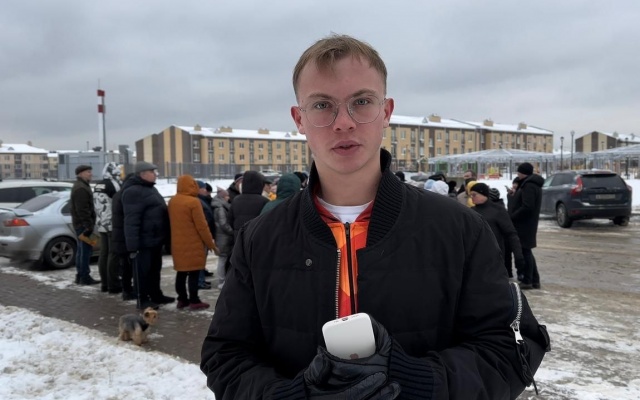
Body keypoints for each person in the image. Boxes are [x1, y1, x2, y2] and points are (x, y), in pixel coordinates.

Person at [201, 34, 547, 399]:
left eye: (361, 102)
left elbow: (510, 349)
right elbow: (225, 355)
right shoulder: (260, 238)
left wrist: (418, 380)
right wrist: (286, 396)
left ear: (386, 112)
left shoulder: (458, 229)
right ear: (299, 119)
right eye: (322, 105)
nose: (343, 123)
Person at [122, 161, 174, 310]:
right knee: (142, 272)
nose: (155, 174)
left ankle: (156, 294)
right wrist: (133, 246)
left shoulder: (150, 189)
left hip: (155, 239)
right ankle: (142, 299)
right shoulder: (133, 192)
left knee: (154, 270)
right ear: (142, 174)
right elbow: (131, 220)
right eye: (152, 172)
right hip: (143, 241)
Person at [168, 175, 218, 310]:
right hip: (193, 244)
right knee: (194, 273)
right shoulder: (193, 202)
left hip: (177, 244)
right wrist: (211, 244)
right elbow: (202, 226)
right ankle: (194, 300)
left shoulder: (173, 201)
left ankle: (182, 299)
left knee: (181, 273)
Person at [470, 183, 526, 278]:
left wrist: (518, 255)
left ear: (483, 194)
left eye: (474, 195)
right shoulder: (471, 211)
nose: (472, 197)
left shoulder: (498, 210)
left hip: (494, 256)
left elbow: (511, 234)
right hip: (475, 256)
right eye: (470, 195)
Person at [509, 162, 544, 289]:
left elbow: (527, 206)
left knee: (525, 252)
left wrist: (513, 216)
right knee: (526, 251)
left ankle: (528, 280)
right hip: (527, 223)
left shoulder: (529, 185)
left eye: (519, 172)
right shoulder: (529, 184)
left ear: (522, 172)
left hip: (524, 224)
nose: (517, 174)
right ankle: (534, 280)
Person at [93, 162, 123, 293]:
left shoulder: (98, 184)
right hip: (112, 224)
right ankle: (113, 285)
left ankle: (104, 284)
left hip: (101, 223)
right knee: (113, 254)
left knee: (103, 254)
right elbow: (119, 202)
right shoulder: (113, 184)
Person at [70, 165, 100, 286]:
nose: (90, 174)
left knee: (81, 250)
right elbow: (82, 209)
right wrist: (88, 226)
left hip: (81, 224)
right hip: (83, 225)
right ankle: (84, 277)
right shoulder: (81, 188)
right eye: (88, 172)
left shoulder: (81, 185)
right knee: (85, 251)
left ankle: (80, 275)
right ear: (80, 174)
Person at [112, 173, 136, 301]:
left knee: (124, 265)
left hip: (119, 235)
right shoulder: (127, 195)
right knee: (128, 266)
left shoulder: (118, 194)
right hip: (125, 236)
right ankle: (127, 291)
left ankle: (126, 289)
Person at [228, 170, 269, 238]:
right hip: (257, 236)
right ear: (260, 184)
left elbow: (230, 220)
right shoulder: (264, 201)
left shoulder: (236, 200)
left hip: (239, 236)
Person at [211, 187, 233, 289]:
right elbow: (223, 224)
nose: (229, 197)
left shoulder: (219, 206)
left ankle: (222, 279)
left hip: (221, 236)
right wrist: (232, 231)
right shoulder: (221, 208)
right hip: (223, 237)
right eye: (227, 196)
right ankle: (221, 280)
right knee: (223, 258)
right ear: (223, 197)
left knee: (223, 258)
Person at [195, 180, 215, 290]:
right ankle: (199, 281)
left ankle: (201, 279)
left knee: (202, 258)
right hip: (201, 236)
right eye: (203, 189)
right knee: (200, 259)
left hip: (205, 233)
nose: (205, 191)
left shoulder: (203, 200)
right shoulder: (198, 201)